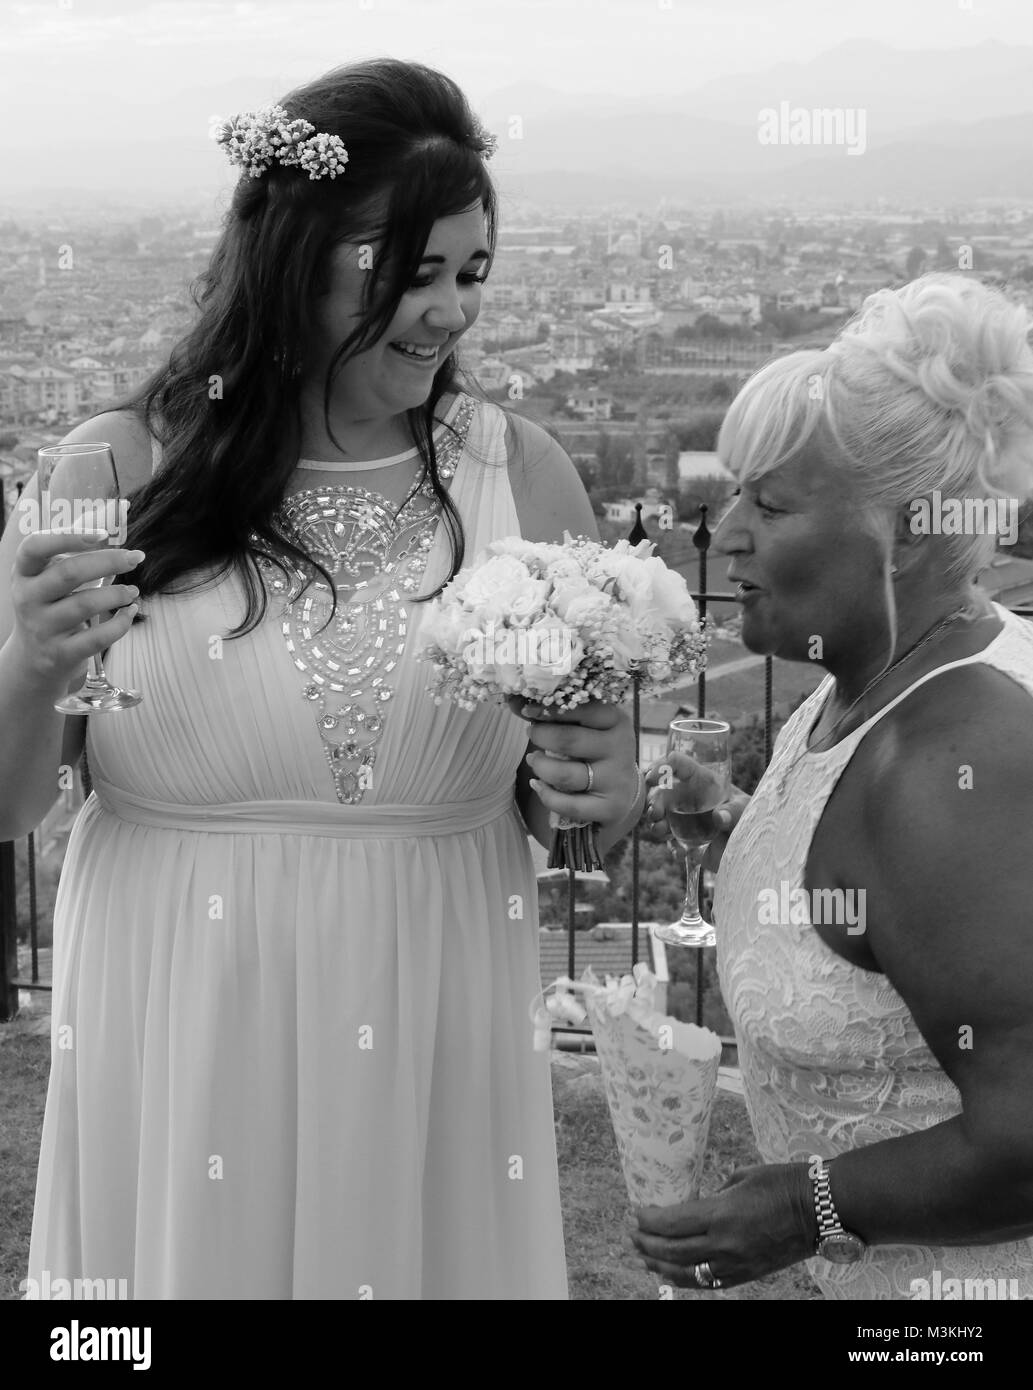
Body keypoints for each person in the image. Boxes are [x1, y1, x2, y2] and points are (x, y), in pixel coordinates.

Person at [0, 58, 641, 1300]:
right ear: (293, 254)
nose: (450, 312)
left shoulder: (525, 475)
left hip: (438, 992)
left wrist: (607, 786)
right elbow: (12, 806)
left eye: (471, 274)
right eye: (410, 271)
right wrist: (26, 667)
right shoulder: (113, 468)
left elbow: (589, 803)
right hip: (179, 996)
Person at [637, 273, 1033, 1299]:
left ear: (903, 529)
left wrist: (805, 1204)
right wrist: (730, 824)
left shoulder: (957, 763)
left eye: (768, 504)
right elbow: (881, 921)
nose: (721, 535)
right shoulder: (868, 691)